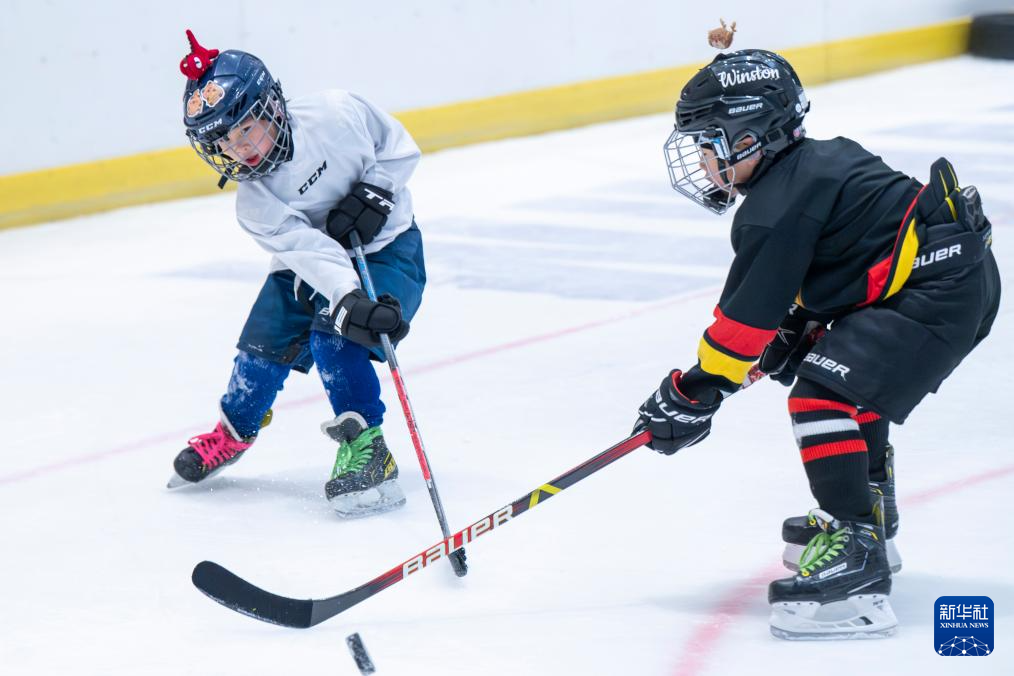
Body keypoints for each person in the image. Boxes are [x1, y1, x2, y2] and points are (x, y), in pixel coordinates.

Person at [634, 49, 1000, 639]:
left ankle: (856, 549)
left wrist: (693, 391)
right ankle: (866, 514)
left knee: (820, 398)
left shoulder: (775, 209)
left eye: (709, 142)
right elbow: (857, 255)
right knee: (845, 384)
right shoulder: (815, 166)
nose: (701, 159)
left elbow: (742, 327)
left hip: (936, 291)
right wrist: (797, 329)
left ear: (750, 136)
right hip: (946, 276)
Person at [167, 30, 427, 519]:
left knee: (336, 340)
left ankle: (368, 447)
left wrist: (378, 189)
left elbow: (398, 146)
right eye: (222, 140)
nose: (237, 149)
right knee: (259, 351)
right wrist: (347, 294)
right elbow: (308, 252)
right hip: (307, 267)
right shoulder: (255, 202)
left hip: (388, 248)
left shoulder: (337, 114)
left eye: (244, 131)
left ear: (271, 109)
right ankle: (234, 431)